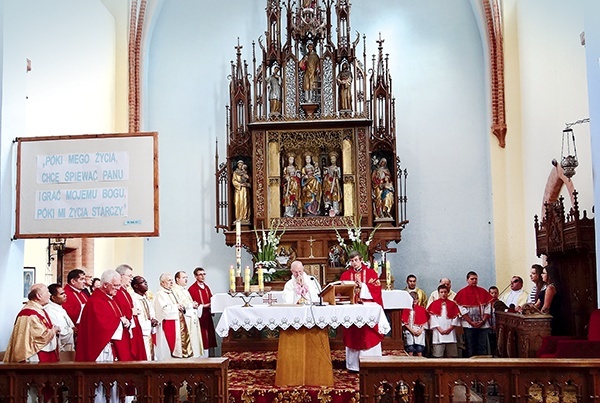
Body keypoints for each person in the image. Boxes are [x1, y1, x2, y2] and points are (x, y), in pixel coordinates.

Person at [339, 250, 384, 372]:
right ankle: (353, 366)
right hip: (352, 310)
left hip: (367, 310)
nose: (354, 263)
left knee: (368, 334)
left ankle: (372, 362)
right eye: (352, 261)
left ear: (361, 260)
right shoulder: (345, 275)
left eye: (356, 260)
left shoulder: (371, 274)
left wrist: (363, 286)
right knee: (353, 335)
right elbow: (340, 291)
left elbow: (376, 290)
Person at [75, 269, 131, 362]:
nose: (118, 288)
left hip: (112, 345)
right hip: (100, 348)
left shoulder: (111, 299)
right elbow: (102, 325)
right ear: (105, 285)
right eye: (115, 285)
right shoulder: (95, 302)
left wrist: (125, 321)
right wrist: (120, 321)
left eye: (119, 285)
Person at [4, 284, 60, 363]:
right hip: (34, 355)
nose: (50, 294)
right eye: (47, 292)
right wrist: (53, 330)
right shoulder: (29, 313)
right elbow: (40, 336)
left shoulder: (38, 309)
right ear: (38, 296)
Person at [154, 273, 203, 360]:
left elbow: (179, 304)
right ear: (162, 283)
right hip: (169, 323)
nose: (171, 282)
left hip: (178, 321)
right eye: (169, 280)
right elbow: (164, 310)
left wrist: (180, 306)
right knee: (170, 348)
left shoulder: (171, 292)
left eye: (172, 280)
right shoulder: (160, 294)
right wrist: (176, 307)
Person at [454, 271, 493, 357]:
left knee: (482, 346)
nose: (474, 281)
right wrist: (471, 322)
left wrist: (483, 321)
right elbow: (461, 309)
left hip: (482, 324)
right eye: (472, 279)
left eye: (476, 279)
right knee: (470, 346)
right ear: (467, 280)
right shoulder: (462, 293)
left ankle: (482, 365)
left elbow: (488, 307)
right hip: (469, 325)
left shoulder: (483, 291)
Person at [114, 264, 147, 361]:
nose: (131, 279)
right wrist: (131, 312)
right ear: (120, 276)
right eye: (129, 276)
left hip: (135, 326)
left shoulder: (125, 292)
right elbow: (118, 311)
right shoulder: (117, 292)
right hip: (127, 328)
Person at [188, 267, 218, 353]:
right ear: (195, 276)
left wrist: (213, 303)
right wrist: (203, 306)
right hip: (199, 317)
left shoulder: (206, 287)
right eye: (200, 274)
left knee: (210, 337)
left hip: (207, 315)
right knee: (202, 337)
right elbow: (191, 303)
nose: (203, 276)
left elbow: (211, 298)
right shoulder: (192, 289)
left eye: (204, 274)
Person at [427, 284, 461, 358]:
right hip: (438, 332)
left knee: (452, 355)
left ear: (448, 293)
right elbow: (432, 318)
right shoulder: (434, 304)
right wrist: (440, 329)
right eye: (441, 292)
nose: (443, 294)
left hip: (450, 333)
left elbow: (456, 317)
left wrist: (450, 328)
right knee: (438, 355)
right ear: (438, 293)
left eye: (445, 292)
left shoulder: (452, 304)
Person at [131, 276, 158, 360]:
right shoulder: (133, 299)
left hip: (148, 332)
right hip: (141, 333)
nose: (146, 283)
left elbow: (151, 311)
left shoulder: (145, 298)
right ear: (136, 286)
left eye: (146, 281)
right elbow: (136, 317)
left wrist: (153, 319)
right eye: (143, 282)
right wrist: (148, 324)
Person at [46, 283, 76, 352]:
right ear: (53, 297)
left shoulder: (60, 308)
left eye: (64, 293)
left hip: (69, 345)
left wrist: (73, 328)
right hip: (60, 347)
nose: (65, 295)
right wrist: (71, 331)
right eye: (61, 294)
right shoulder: (49, 311)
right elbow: (59, 332)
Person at [535, 264, 562, 335]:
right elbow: (537, 304)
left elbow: (545, 307)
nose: (541, 275)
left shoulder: (550, 287)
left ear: (549, 275)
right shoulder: (546, 286)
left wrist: (538, 318)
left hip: (550, 319)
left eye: (543, 273)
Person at [402, 291, 429, 356]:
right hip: (409, 331)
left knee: (419, 349)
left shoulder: (421, 309)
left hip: (419, 331)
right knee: (410, 349)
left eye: (416, 299)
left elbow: (425, 322)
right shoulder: (405, 310)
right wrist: (412, 331)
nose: (414, 300)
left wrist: (420, 330)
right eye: (412, 299)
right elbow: (404, 322)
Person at [282, 153, 301, 217]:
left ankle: (294, 212)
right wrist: (287, 177)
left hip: (295, 185)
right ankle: (288, 213)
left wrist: (298, 175)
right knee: (288, 198)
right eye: (290, 159)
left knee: (295, 198)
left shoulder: (295, 167)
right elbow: (284, 176)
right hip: (288, 185)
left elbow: (299, 175)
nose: (291, 161)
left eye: (292, 159)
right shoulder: (286, 168)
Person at [323, 151, 342, 216]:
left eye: (334, 159)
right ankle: (328, 209)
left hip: (335, 184)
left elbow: (339, 177)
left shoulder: (338, 168)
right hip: (328, 184)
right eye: (331, 159)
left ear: (336, 159)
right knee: (328, 196)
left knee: (335, 195)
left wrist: (336, 173)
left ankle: (336, 209)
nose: (332, 160)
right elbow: (325, 176)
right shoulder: (328, 168)